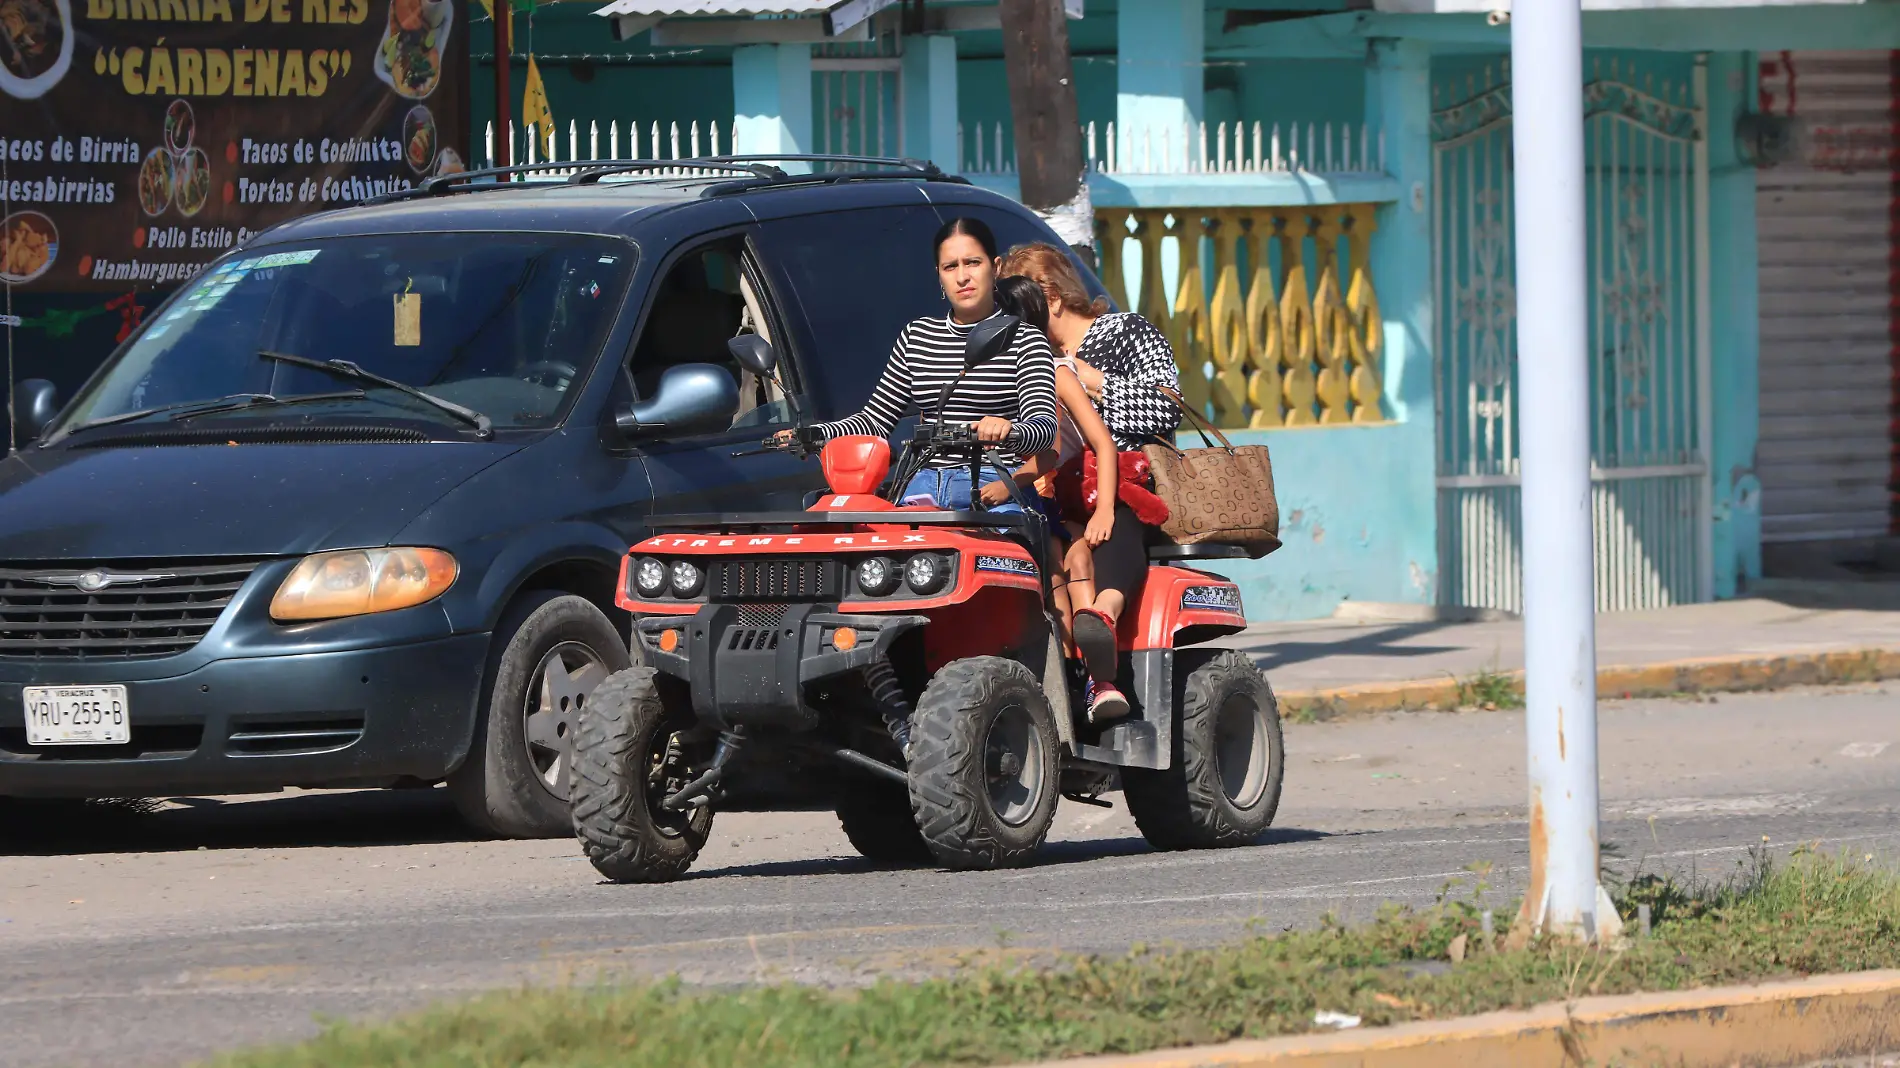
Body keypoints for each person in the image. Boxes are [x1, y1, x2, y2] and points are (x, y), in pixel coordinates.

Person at [999, 244, 1183, 709]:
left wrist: (1091, 380)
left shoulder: (1123, 332)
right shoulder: (1029, 358)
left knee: (1115, 520)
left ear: (1051, 297)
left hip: (1128, 480)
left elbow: (1168, 407)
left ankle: (1105, 618)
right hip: (1060, 490)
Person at [785, 218, 1057, 512]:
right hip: (921, 484)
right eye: (950, 267)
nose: (962, 277)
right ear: (938, 275)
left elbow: (1044, 429)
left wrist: (1008, 429)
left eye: (973, 263)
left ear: (996, 267)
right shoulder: (917, 336)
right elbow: (874, 421)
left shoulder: (1024, 339)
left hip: (994, 485)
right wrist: (813, 434)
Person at [988, 276, 1131, 720]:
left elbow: (1084, 447)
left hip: (1050, 500)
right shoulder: (981, 378)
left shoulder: (1053, 372)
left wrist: (1104, 508)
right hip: (1012, 505)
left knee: (1066, 559)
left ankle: (1093, 677)